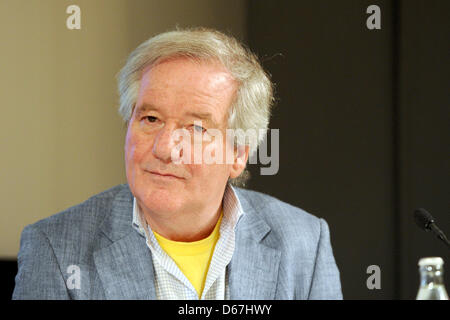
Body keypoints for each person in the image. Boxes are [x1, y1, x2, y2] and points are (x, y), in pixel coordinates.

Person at [13, 27, 342, 300]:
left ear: (239, 153)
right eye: (151, 118)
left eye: (196, 128)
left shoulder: (305, 243)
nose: (165, 147)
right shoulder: (54, 248)